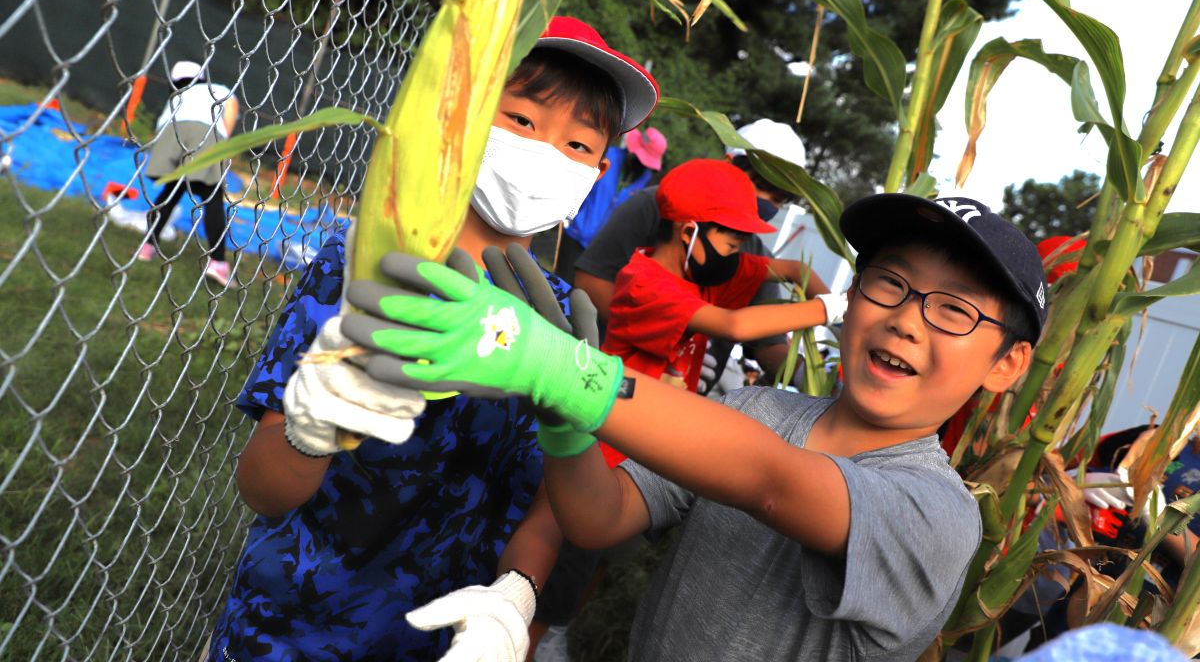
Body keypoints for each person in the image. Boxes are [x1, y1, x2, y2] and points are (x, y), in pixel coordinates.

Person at [341, 193, 1046, 661]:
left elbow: (772, 481)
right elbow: (601, 516)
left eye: (954, 309)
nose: (906, 319)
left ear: (1007, 364)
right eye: (889, 282)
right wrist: (567, 426)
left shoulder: (939, 514)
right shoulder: (756, 410)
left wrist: (565, 370)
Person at [205, 15, 659, 661]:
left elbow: (546, 506)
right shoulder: (364, 265)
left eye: (578, 144)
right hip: (286, 632)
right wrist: (311, 432)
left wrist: (514, 601)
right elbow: (263, 486)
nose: (546, 154)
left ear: (599, 170)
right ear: (463, 118)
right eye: (522, 120)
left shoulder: (559, 320)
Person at [572, 118, 809, 387]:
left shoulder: (755, 253)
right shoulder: (657, 206)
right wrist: (664, 337)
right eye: (760, 186)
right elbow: (591, 280)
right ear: (729, 164)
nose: (765, 201)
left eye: (778, 198)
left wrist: (811, 377)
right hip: (608, 378)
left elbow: (768, 344)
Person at [602, 157, 840, 398]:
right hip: (620, 410)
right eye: (732, 246)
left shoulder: (699, 273)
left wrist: (844, 324)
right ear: (689, 232)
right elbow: (734, 325)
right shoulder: (644, 285)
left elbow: (796, 270)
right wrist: (827, 309)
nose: (736, 256)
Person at [139, 60, 239, 286]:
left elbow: (160, 126)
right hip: (206, 133)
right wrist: (224, 139)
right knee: (212, 197)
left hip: (172, 132)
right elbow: (231, 105)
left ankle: (147, 246)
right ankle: (217, 263)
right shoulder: (216, 89)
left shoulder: (177, 97)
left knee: (171, 191)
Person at [554, 125, 666, 284]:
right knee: (557, 283)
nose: (640, 164)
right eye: (638, 159)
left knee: (579, 294)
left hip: (600, 251)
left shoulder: (646, 183)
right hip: (575, 234)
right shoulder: (607, 157)